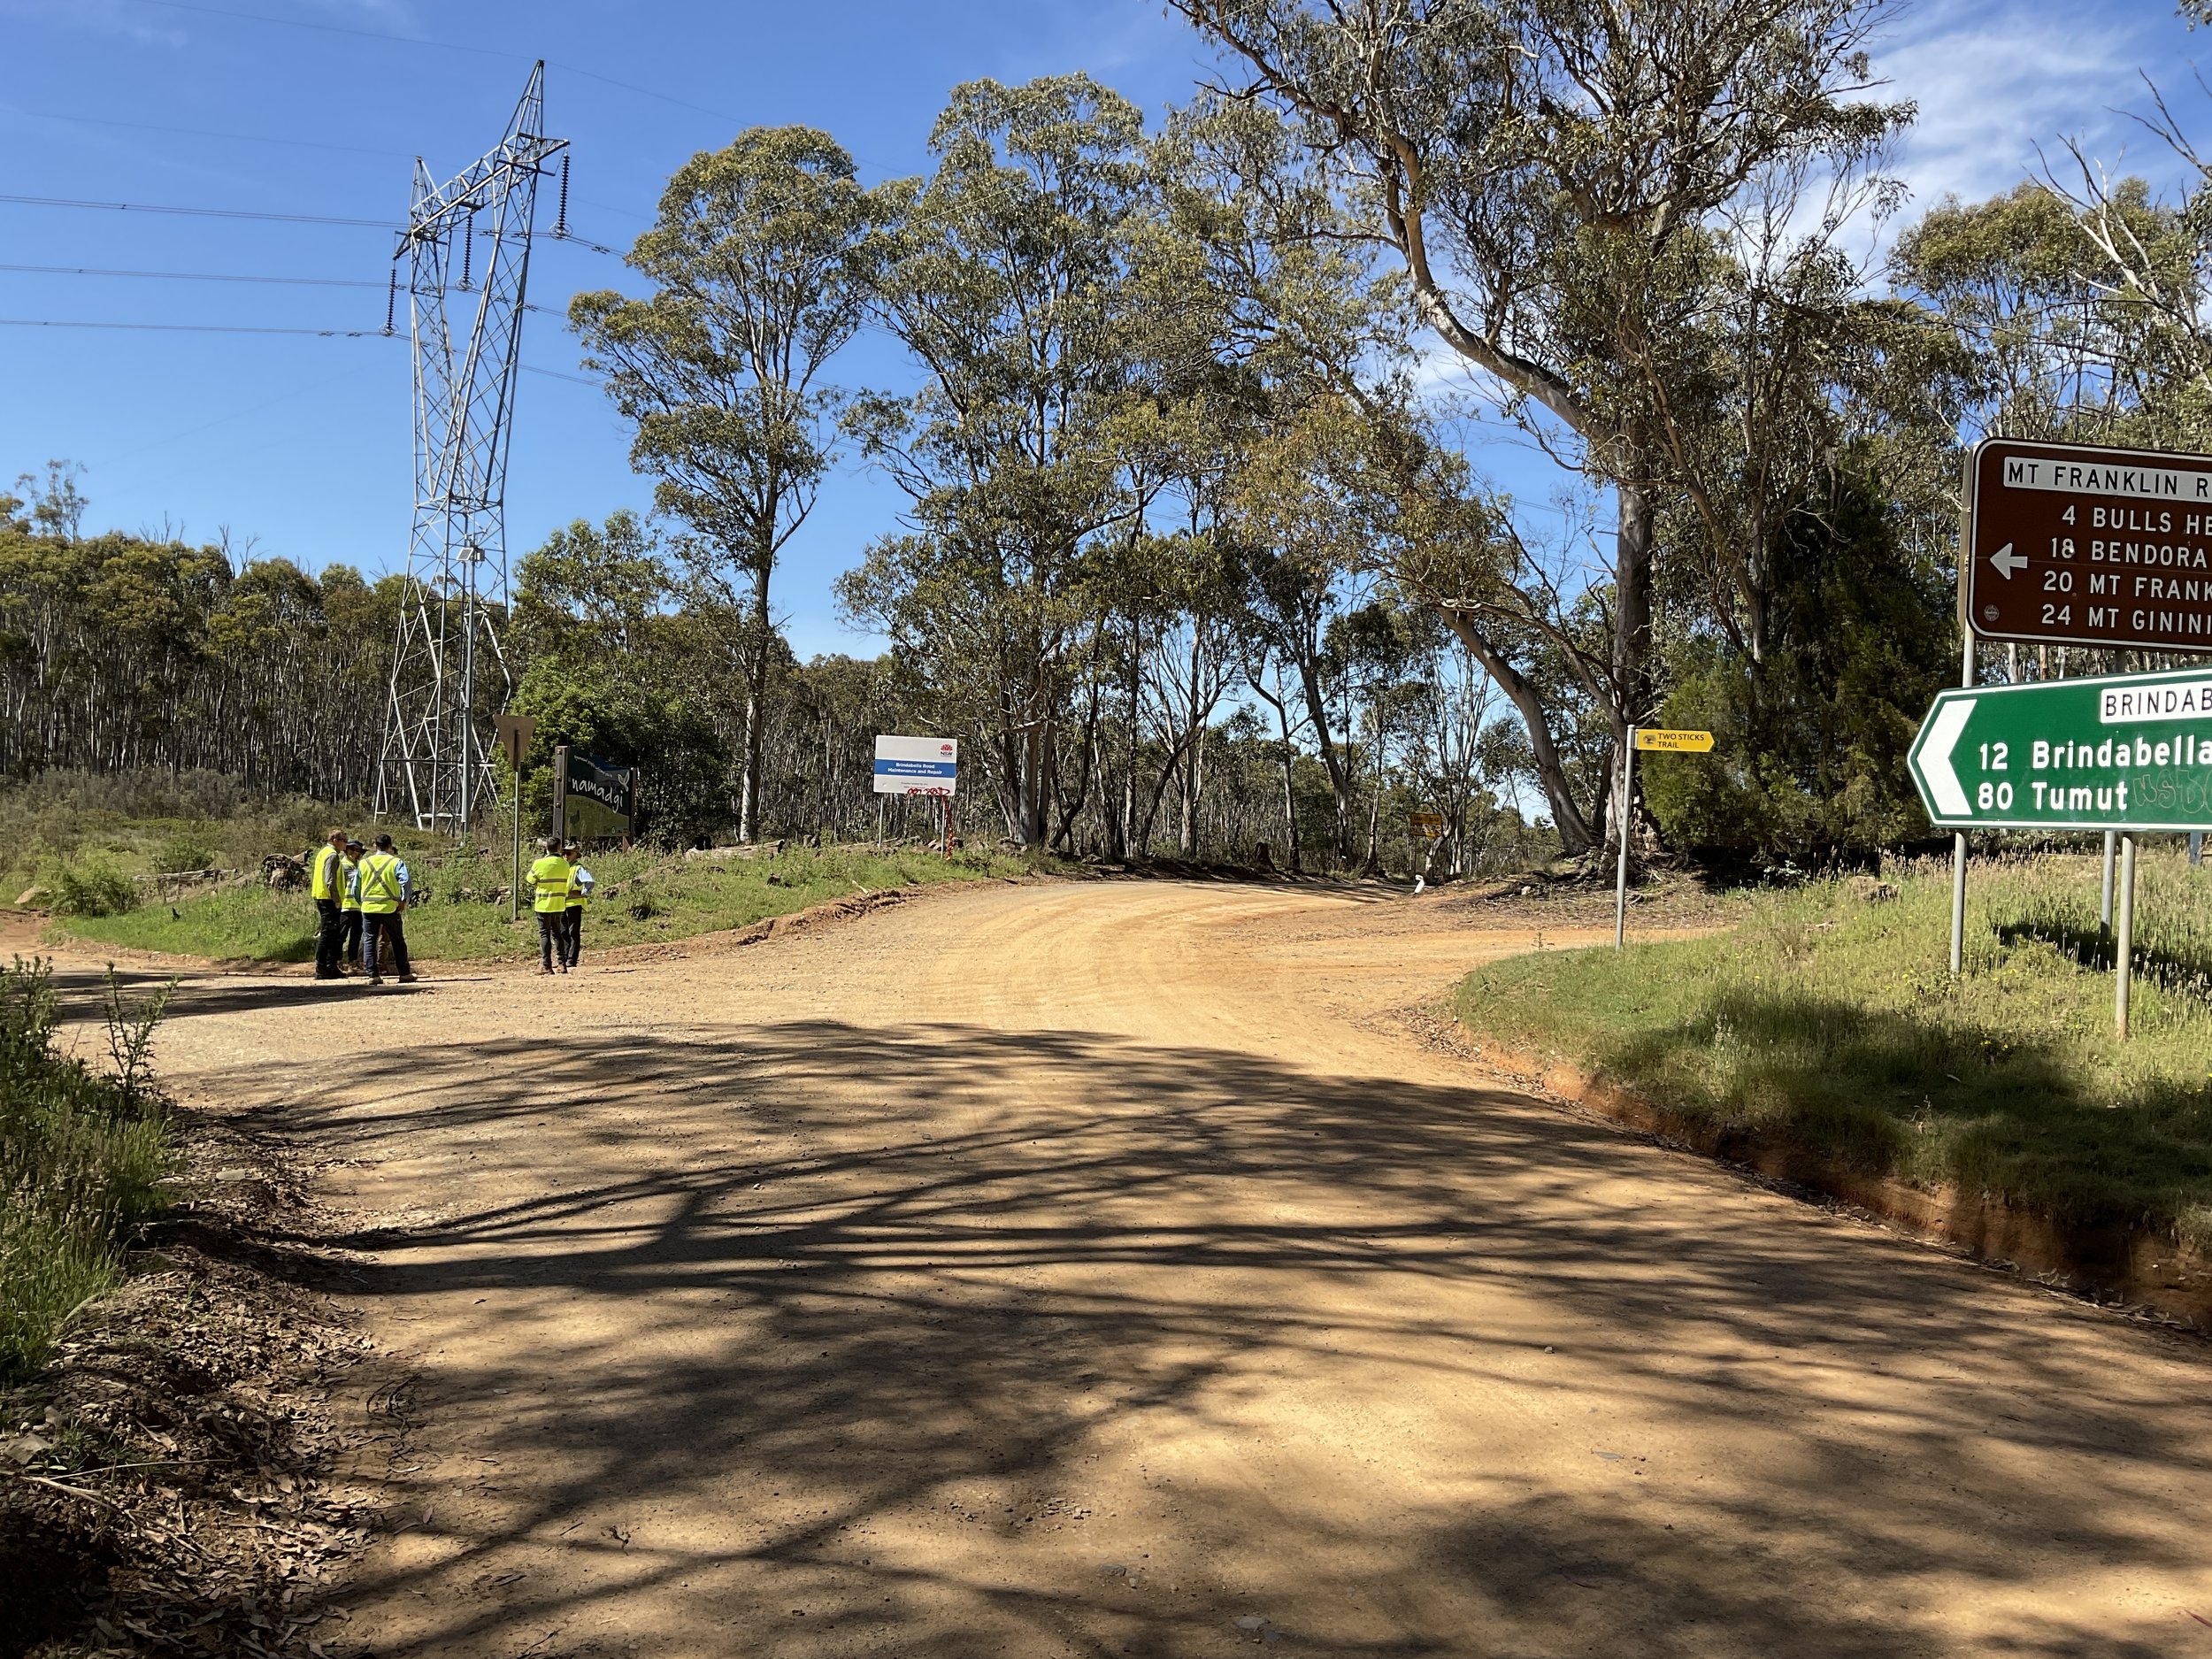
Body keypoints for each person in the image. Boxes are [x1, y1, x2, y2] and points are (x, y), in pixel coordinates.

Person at [357, 833, 417, 986]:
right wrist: (403, 900)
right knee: (397, 940)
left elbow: (355, 888)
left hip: (368, 907)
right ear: (390, 846)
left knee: (370, 940)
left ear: (375, 846)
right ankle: (404, 973)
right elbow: (406, 882)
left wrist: (361, 902)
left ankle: (372, 975)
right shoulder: (396, 862)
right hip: (389, 907)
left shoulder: (364, 863)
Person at [526, 836, 572, 975]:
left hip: (543, 904)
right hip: (558, 903)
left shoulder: (539, 863)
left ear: (546, 848)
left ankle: (546, 965)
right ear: (558, 848)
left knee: (544, 934)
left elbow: (530, 880)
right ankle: (562, 964)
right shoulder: (565, 864)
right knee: (557, 933)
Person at [311, 828, 349, 980]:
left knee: (331, 933)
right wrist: (337, 900)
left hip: (323, 897)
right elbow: (330, 880)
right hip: (328, 899)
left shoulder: (324, 852)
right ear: (335, 840)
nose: (346, 844)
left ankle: (329, 966)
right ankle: (323, 967)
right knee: (328, 933)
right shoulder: (332, 855)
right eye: (344, 841)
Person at [560, 840, 594, 971]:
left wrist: (583, 893)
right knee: (563, 932)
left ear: (575, 854)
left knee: (573, 932)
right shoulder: (563, 867)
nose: (565, 856)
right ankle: (564, 957)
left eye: (568, 853)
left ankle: (571, 959)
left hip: (574, 904)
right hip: (562, 904)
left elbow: (589, 882)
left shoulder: (578, 868)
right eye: (564, 853)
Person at [338, 838, 366, 973]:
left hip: (358, 905)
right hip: (346, 905)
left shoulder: (359, 865)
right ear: (347, 850)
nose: (354, 852)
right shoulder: (343, 864)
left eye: (358, 850)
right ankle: (337, 961)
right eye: (352, 849)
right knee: (341, 935)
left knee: (356, 935)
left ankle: (352, 962)